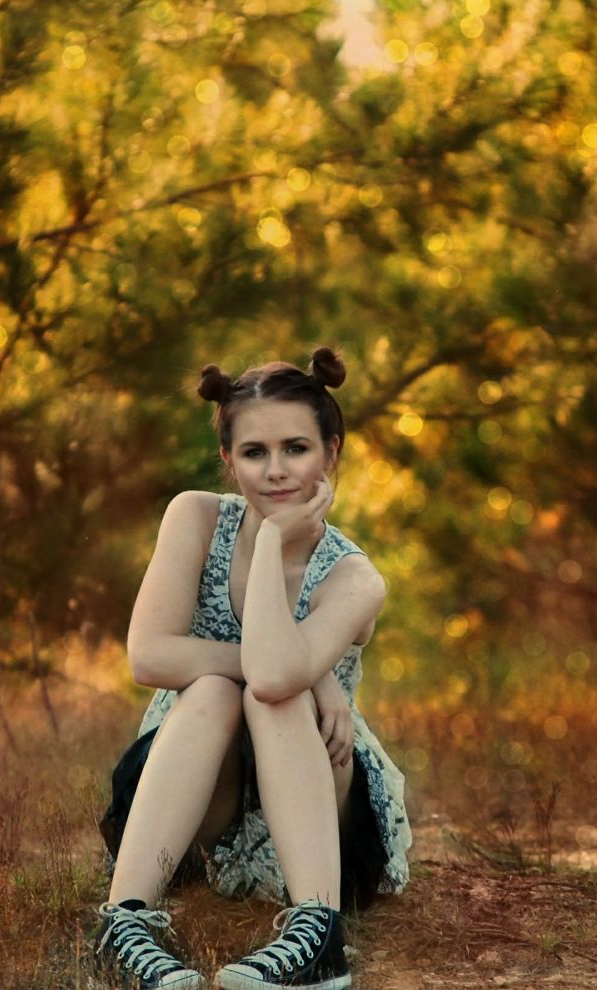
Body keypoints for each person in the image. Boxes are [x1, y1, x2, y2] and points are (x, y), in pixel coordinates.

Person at [93, 347, 412, 990]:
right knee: (212, 691)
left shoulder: (354, 578)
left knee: (276, 697)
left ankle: (317, 935)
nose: (275, 472)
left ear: (332, 452)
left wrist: (271, 543)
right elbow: (148, 655)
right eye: (254, 453)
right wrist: (310, 669)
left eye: (296, 448)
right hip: (194, 787)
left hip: (312, 803)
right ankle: (125, 925)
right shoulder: (196, 516)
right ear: (227, 460)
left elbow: (271, 682)